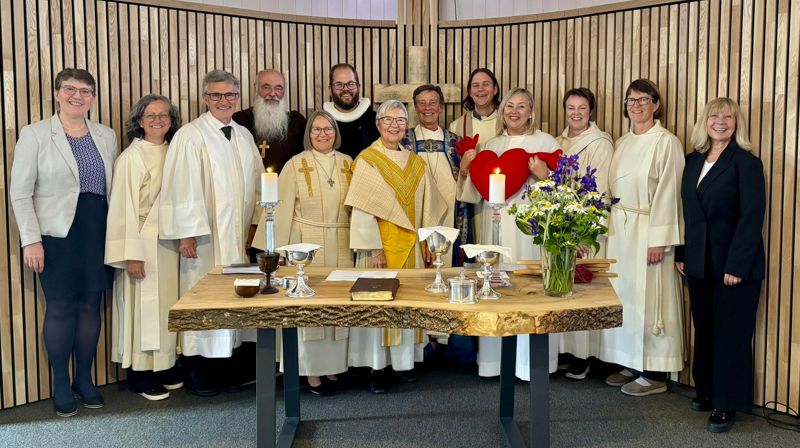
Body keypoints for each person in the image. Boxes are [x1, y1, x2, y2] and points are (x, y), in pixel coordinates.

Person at [10, 68, 118, 417]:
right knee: (59, 307)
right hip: (55, 236)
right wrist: (31, 241)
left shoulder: (106, 135)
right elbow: (20, 193)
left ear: (93, 97)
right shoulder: (36, 134)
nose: (78, 96)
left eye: (85, 91)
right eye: (70, 89)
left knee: (90, 304)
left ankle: (84, 380)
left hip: (97, 229)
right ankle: (60, 382)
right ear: (56, 94)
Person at [159, 70, 262, 397]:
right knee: (203, 297)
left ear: (237, 98)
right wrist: (186, 233)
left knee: (234, 298)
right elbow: (180, 186)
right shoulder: (190, 135)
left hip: (238, 236)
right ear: (205, 98)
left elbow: (259, 182)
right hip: (204, 239)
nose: (223, 101)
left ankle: (227, 370)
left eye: (230, 95)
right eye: (216, 95)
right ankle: (198, 372)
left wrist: (256, 225)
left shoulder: (244, 134)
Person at [457, 88, 561, 381]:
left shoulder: (546, 142)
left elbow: (564, 191)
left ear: (531, 112)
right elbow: (474, 192)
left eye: (522, 106)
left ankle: (531, 365)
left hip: (529, 229)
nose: (514, 111)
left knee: (527, 289)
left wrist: (545, 175)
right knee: (496, 285)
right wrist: (466, 169)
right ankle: (495, 362)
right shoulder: (493, 144)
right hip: (495, 226)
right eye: (509, 106)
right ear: (502, 112)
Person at [676, 98, 765, 433]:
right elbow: (688, 214)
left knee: (732, 336)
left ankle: (727, 404)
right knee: (707, 330)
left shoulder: (746, 163)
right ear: (705, 121)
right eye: (715, 115)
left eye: (728, 116)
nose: (721, 121)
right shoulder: (693, 160)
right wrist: (683, 253)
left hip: (734, 266)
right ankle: (709, 391)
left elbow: (752, 217)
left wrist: (737, 265)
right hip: (699, 263)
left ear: (736, 123)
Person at [345, 100, 446, 394]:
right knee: (379, 306)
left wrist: (429, 239)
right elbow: (363, 209)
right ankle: (377, 367)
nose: (394, 125)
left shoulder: (417, 162)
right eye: (388, 119)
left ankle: (405, 364)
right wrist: (374, 248)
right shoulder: (367, 160)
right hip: (380, 249)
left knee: (407, 305)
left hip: (412, 247)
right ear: (378, 124)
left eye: (401, 120)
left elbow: (429, 206)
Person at [253, 110, 353, 396]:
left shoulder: (349, 164)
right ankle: (310, 372)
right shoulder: (296, 164)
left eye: (328, 129)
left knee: (338, 304)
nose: (322, 134)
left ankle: (335, 366)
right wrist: (278, 251)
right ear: (308, 134)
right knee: (310, 306)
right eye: (316, 129)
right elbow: (280, 209)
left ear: (336, 132)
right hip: (306, 243)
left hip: (342, 240)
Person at [602, 78, 685, 396]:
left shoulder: (666, 142)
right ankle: (630, 361)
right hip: (623, 229)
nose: (635, 106)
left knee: (652, 299)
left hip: (649, 230)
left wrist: (659, 240)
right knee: (627, 295)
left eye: (642, 100)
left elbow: (670, 193)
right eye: (630, 101)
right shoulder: (623, 143)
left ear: (656, 104)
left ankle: (654, 371)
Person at [105, 94, 183, 401]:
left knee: (165, 306)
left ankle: (163, 366)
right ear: (139, 121)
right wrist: (131, 255)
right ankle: (140, 373)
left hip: (167, 243)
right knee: (142, 308)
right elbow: (122, 209)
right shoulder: (131, 157)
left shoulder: (175, 151)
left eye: (164, 115)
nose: (158, 120)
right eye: (150, 115)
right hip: (140, 241)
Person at [555, 87, 614, 381]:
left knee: (583, 289)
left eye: (581, 108)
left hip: (584, 226)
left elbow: (600, 188)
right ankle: (566, 351)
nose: (575, 113)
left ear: (591, 111)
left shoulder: (600, 143)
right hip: (561, 224)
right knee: (564, 289)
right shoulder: (559, 141)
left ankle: (585, 355)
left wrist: (583, 230)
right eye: (570, 107)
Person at [401, 84, 473, 267]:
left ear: (440, 106)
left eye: (432, 103)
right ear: (415, 107)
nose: (427, 108)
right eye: (422, 103)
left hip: (448, 214)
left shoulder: (455, 142)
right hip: (416, 213)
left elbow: (465, 182)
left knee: (447, 264)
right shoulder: (404, 142)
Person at [232, 69, 307, 174]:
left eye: (278, 88)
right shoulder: (239, 120)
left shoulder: (297, 123)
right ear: (256, 88)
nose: (272, 93)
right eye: (266, 87)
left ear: (284, 91)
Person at [323, 63, 379, 159]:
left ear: (359, 87)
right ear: (330, 90)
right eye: (339, 85)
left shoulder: (377, 120)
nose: (345, 89)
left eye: (351, 84)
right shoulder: (321, 122)